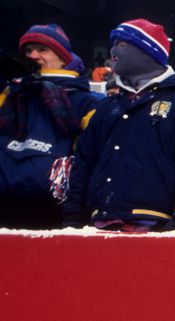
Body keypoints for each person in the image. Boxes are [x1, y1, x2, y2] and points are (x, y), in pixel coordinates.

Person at [64, 19, 175, 232]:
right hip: (99, 225)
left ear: (148, 51)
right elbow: (83, 164)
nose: (113, 51)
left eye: (122, 44)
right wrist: (73, 215)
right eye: (113, 44)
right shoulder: (106, 107)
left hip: (156, 225)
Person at [0, 24, 102, 229]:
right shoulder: (11, 95)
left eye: (42, 50)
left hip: (54, 214)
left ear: (63, 58)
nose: (33, 56)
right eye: (28, 51)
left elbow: (92, 159)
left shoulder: (88, 102)